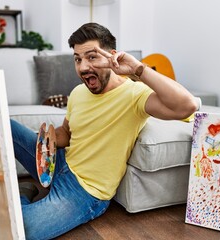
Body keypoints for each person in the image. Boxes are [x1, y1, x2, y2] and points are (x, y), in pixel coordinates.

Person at [11, 22, 200, 239]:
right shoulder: (78, 92)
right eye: (78, 59)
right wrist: (47, 139)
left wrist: (138, 68)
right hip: (59, 164)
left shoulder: (135, 95)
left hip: (84, 192)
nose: (82, 67)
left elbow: (188, 106)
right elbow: (67, 133)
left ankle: (23, 194)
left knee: (22, 230)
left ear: (112, 56)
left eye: (92, 57)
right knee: (7, 126)